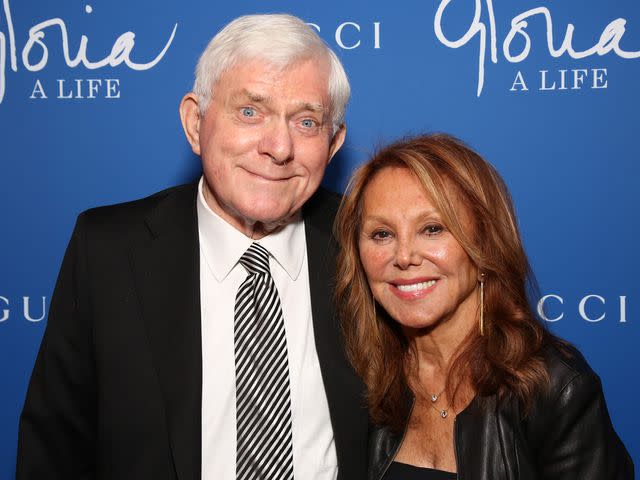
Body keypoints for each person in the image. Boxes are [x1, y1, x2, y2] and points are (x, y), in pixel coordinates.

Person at [17, 14, 368, 480]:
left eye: (306, 122)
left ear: (334, 141)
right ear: (195, 121)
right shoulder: (108, 251)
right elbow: (54, 450)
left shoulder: (368, 246)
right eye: (250, 111)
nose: (279, 146)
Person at [334, 134, 633, 479]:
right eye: (382, 234)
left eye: (432, 229)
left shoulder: (553, 388)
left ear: (485, 244)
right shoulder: (362, 376)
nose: (404, 256)